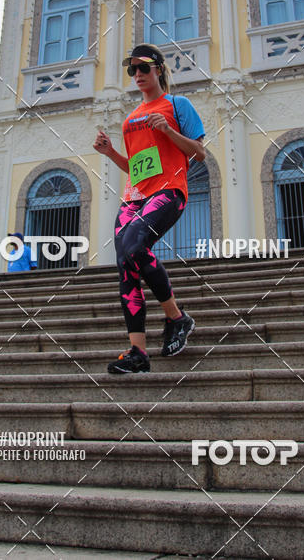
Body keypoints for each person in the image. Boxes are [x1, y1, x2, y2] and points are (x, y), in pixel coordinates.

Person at [94, 43, 206, 374]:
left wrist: (168, 130)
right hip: (135, 197)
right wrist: (110, 153)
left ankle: (177, 317)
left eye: (143, 68)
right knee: (125, 262)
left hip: (170, 189)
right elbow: (138, 168)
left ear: (158, 68)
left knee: (134, 246)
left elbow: (199, 153)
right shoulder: (130, 120)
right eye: (133, 70)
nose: (138, 75)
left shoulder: (176, 104)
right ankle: (138, 352)